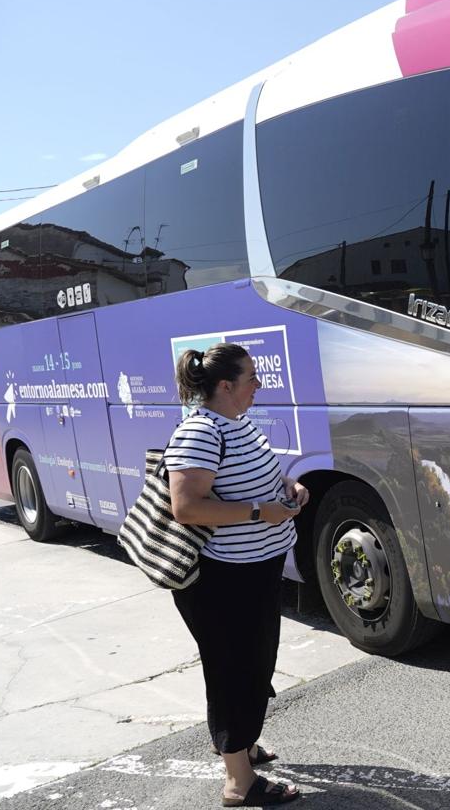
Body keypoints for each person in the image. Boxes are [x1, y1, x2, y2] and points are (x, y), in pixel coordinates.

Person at [166, 343, 307, 807]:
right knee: (235, 669)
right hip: (223, 578)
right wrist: (257, 512)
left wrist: (288, 487)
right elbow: (186, 507)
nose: (258, 385)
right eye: (251, 378)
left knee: (254, 663)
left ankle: (238, 746)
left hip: (254, 570)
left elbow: (257, 477)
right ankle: (238, 781)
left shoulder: (237, 423)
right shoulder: (200, 432)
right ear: (224, 386)